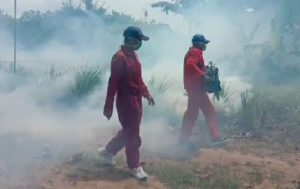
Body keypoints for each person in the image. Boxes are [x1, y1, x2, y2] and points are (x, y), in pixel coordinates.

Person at [97, 26, 155, 181]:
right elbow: (113, 83)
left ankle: (108, 152)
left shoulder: (134, 56)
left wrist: (147, 94)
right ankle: (134, 166)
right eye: (139, 40)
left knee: (129, 130)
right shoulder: (119, 57)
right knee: (133, 134)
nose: (140, 43)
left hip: (136, 101)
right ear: (131, 40)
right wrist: (108, 106)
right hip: (125, 101)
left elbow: (139, 79)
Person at [179, 34, 228, 148]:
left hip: (199, 89)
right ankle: (183, 140)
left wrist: (206, 70)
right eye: (204, 43)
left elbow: (195, 66)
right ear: (199, 43)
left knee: (209, 111)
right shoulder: (195, 52)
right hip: (196, 89)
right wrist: (203, 76)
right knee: (192, 114)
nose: (205, 45)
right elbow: (190, 65)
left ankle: (215, 137)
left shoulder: (195, 52)